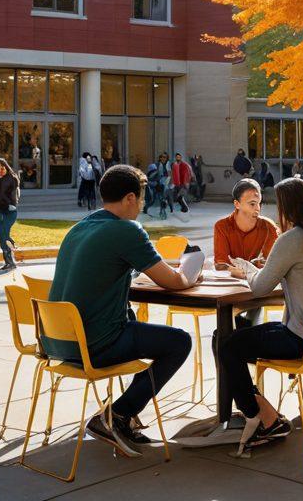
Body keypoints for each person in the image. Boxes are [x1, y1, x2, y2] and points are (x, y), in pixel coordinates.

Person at [49, 164, 198, 457]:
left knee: (134, 322)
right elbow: (173, 281)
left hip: (58, 342)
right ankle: (117, 415)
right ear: (130, 198)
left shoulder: (80, 227)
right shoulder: (126, 230)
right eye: (141, 199)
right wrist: (194, 275)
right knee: (179, 341)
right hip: (95, 344)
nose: (142, 206)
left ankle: (123, 418)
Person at [220, 177, 303, 451]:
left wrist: (246, 269)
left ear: (287, 208)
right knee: (243, 338)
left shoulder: (291, 238)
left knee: (228, 344)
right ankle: (259, 411)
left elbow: (258, 288)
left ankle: (261, 418)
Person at [0, 158, 21, 270]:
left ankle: (11, 261)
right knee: (1, 236)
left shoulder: (10, 179)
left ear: (6, 167)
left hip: (9, 211)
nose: (0, 170)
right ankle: (8, 262)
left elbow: (4, 195)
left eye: (2, 168)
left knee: (4, 236)